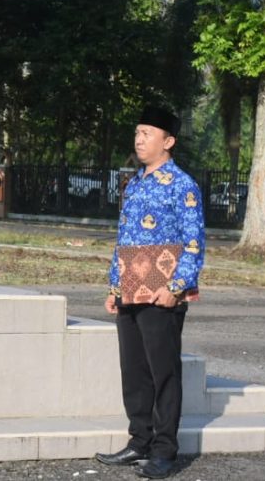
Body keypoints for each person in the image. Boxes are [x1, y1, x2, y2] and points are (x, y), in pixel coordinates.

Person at [95, 105, 205, 480]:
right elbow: (123, 238)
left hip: (162, 291)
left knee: (164, 373)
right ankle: (138, 441)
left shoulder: (182, 185)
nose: (139, 139)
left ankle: (164, 451)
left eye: (147, 133)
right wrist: (114, 285)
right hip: (130, 287)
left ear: (168, 141)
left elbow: (193, 243)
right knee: (134, 371)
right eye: (137, 132)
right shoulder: (136, 182)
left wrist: (175, 288)